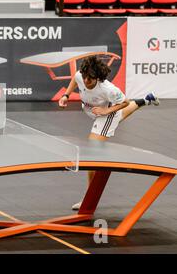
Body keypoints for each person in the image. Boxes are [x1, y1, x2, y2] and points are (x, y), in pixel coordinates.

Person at [58, 55, 160, 210]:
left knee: (92, 151)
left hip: (106, 113)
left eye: (90, 79)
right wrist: (66, 95)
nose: (85, 81)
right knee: (121, 115)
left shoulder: (108, 89)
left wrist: (106, 111)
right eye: (85, 77)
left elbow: (124, 102)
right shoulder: (81, 75)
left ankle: (88, 198)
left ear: (98, 78)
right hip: (94, 111)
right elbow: (75, 78)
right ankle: (146, 100)